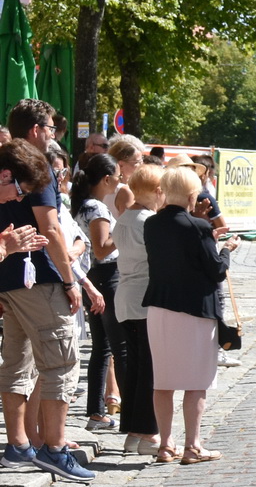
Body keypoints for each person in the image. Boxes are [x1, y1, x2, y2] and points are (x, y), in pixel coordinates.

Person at [0, 103, 91, 482]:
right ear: (37, 129)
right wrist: (71, 281)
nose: (55, 133)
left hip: (12, 281)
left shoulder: (18, 164)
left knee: (19, 362)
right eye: (52, 127)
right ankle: (54, 449)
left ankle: (20, 445)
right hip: (37, 279)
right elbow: (52, 229)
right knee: (60, 363)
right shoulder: (32, 167)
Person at [143, 167, 235, 465]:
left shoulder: (152, 224)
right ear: (193, 194)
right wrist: (227, 248)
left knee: (163, 381)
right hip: (194, 310)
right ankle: (192, 445)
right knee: (196, 381)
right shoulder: (198, 227)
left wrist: (206, 233)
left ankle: (165, 445)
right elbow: (217, 269)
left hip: (159, 308)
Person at [113, 164, 163, 457]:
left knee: (135, 367)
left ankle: (132, 431)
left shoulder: (125, 219)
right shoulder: (147, 221)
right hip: (144, 298)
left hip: (126, 297)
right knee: (149, 369)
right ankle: (147, 431)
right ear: (156, 192)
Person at [72, 155, 124, 433]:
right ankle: (130, 416)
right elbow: (102, 248)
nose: (120, 180)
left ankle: (96, 412)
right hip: (106, 276)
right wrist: (125, 229)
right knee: (118, 346)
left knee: (102, 348)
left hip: (96, 277)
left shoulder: (84, 204)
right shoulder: (97, 208)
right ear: (106, 179)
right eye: (117, 175)